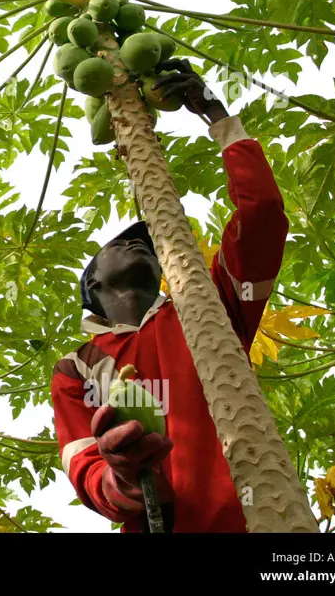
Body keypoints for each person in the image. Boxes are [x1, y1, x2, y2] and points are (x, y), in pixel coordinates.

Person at [51, 59, 289, 532]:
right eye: (119, 243)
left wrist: (218, 117)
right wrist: (124, 481)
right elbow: (84, 465)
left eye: (145, 241)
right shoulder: (76, 367)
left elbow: (262, 215)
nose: (137, 242)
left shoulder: (210, 306)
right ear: (93, 283)